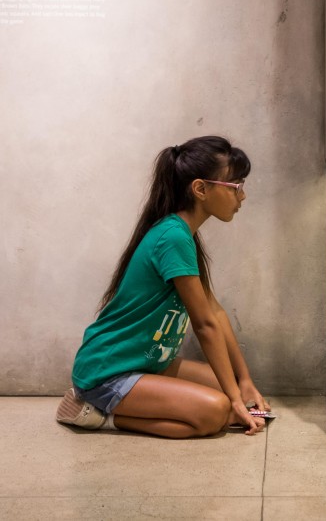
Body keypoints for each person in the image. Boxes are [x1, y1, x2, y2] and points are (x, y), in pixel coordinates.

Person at [56, 136, 269, 438]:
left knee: (232, 385)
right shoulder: (173, 237)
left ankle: (221, 395)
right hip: (108, 371)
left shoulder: (184, 234)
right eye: (236, 186)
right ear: (200, 189)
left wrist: (244, 382)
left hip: (149, 362)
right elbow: (204, 325)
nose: (243, 196)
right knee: (216, 411)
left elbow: (215, 313)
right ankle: (98, 415)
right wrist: (234, 401)